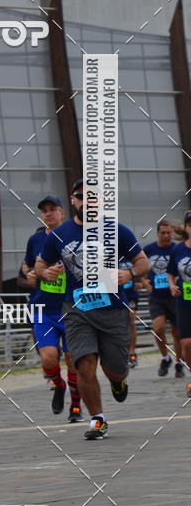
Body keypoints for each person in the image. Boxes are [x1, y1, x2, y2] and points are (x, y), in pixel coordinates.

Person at [35, 179, 149, 441]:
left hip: (112, 310)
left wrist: (129, 274)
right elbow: (39, 266)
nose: (86, 201)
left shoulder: (117, 231)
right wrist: (46, 272)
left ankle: (118, 381)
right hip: (76, 310)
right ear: (74, 201)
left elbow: (142, 261)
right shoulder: (59, 235)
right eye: (80, 196)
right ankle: (97, 419)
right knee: (83, 364)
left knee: (115, 369)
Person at [21, 195, 82, 422]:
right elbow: (26, 268)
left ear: (62, 212)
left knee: (73, 359)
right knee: (49, 358)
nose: (48, 213)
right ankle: (58, 384)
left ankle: (76, 405)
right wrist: (30, 274)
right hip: (42, 308)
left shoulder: (70, 236)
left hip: (70, 308)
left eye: (53, 209)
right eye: (44, 210)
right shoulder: (35, 240)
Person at [142, 222, 183, 377]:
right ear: (157, 233)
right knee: (158, 328)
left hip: (174, 296)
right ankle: (165, 358)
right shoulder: (149, 249)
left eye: (169, 233)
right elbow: (139, 266)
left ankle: (179, 362)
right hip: (156, 297)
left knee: (177, 333)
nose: (166, 236)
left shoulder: (176, 249)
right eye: (163, 233)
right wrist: (145, 282)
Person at [167, 211, 191, 396]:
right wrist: (172, 285)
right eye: (189, 224)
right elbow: (170, 272)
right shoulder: (178, 250)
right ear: (186, 228)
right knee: (186, 345)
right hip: (184, 302)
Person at [119, 257, 140, 368]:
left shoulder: (131, 253)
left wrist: (140, 281)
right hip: (116, 294)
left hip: (131, 294)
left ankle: (132, 353)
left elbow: (142, 268)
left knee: (131, 321)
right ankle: (122, 353)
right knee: (118, 324)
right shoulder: (110, 252)